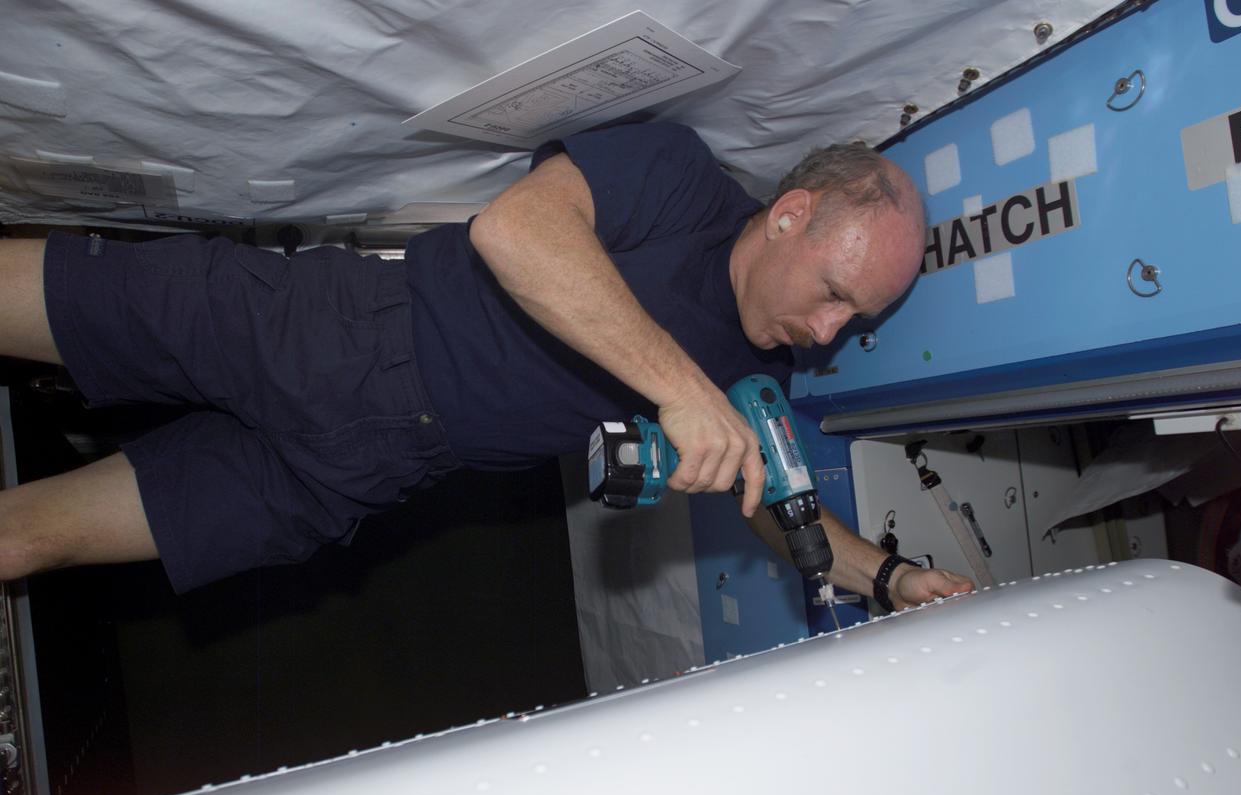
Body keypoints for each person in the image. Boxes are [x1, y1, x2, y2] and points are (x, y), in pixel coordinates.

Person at [0, 121, 971, 610]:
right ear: (792, 214)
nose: (832, 328)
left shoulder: (759, 386)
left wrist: (887, 578)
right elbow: (516, 228)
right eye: (836, 292)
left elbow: (777, 506)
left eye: (860, 319)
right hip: (333, 334)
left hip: (359, 474)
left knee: (25, 539)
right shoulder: (679, 179)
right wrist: (682, 392)